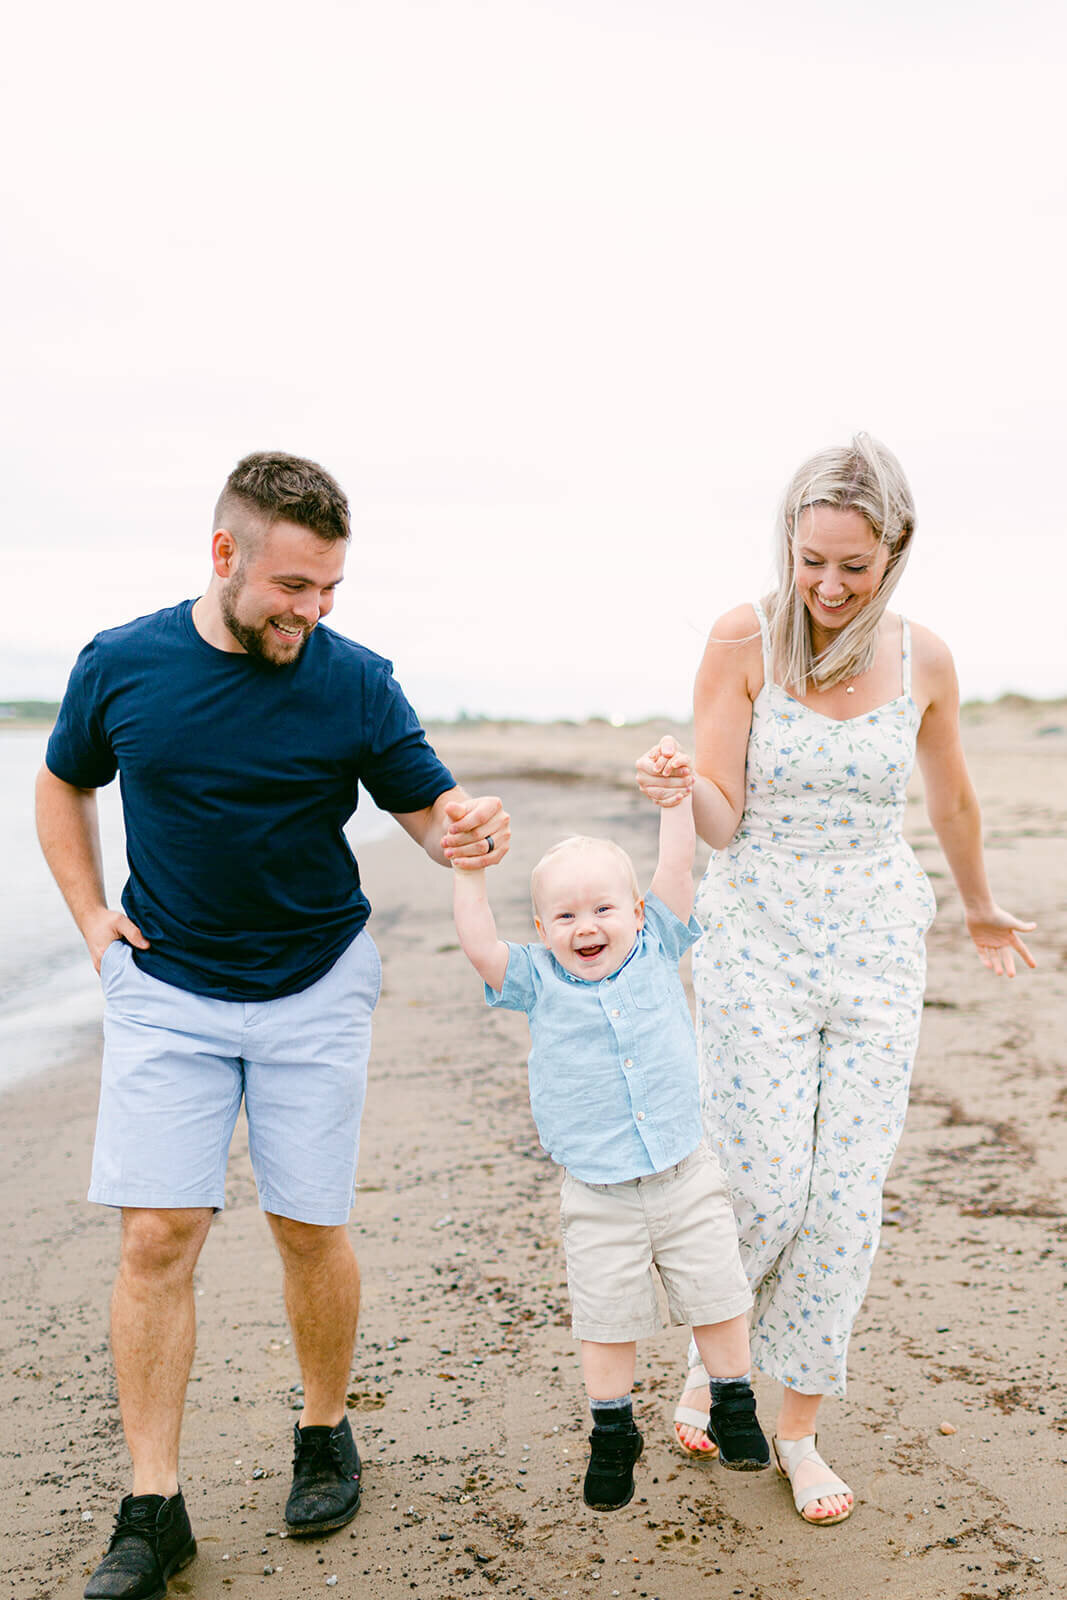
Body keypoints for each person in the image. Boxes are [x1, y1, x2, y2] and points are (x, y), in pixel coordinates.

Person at [35, 451, 510, 1600]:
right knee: (157, 1234)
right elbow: (62, 784)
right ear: (224, 555)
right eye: (293, 587)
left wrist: (471, 828)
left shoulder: (353, 681)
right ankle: (153, 1507)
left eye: (330, 588)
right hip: (167, 986)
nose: (313, 611)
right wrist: (93, 916)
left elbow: (429, 815)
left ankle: (324, 1430)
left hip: (314, 980)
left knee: (306, 1224)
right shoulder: (122, 664)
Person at [637, 434, 1037, 1527]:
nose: (823, 585)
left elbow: (948, 801)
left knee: (843, 1200)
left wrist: (977, 900)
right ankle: (712, 1361)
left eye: (850, 566)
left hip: (872, 944)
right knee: (764, 1186)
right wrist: (681, 788)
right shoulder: (742, 637)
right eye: (808, 559)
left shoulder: (925, 660)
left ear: (893, 552)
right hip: (754, 936)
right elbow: (721, 812)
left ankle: (797, 1429)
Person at [449, 765, 769, 1512]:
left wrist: (672, 802)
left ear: (634, 910)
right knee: (605, 1318)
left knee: (718, 1297)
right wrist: (469, 874)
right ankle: (612, 1430)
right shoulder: (534, 978)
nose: (584, 927)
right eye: (562, 917)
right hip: (597, 1189)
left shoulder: (658, 942)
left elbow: (676, 866)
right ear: (540, 930)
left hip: (683, 1171)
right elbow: (476, 945)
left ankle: (732, 1404)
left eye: (600, 909)